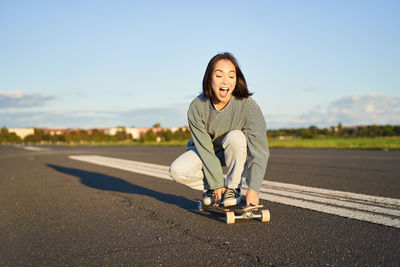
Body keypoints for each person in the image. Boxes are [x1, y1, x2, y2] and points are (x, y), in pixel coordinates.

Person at [169, 52, 269, 207]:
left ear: (237, 79)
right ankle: (214, 188)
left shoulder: (248, 106)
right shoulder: (197, 107)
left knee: (236, 136)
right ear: (209, 78)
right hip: (206, 151)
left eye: (231, 76)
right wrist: (215, 183)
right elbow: (205, 149)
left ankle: (233, 188)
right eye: (219, 75)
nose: (225, 81)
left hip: (234, 151)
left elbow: (260, 150)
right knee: (177, 170)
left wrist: (254, 189)